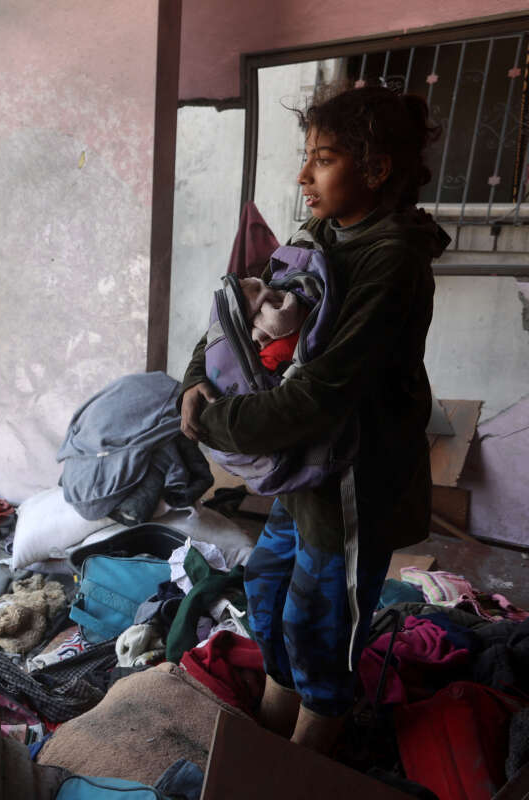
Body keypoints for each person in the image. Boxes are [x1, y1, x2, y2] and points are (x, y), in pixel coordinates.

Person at [178, 85, 449, 754]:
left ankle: (302, 767)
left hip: (355, 483)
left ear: (377, 169)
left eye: (322, 159)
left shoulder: (392, 259)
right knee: (268, 592)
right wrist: (193, 382)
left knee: (318, 625)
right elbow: (236, 318)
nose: (303, 176)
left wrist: (219, 425)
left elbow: (324, 393)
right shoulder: (318, 236)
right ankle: (269, 740)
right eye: (308, 158)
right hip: (306, 473)